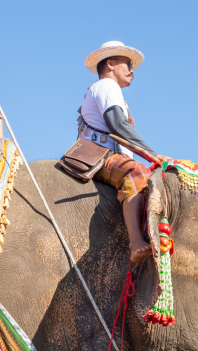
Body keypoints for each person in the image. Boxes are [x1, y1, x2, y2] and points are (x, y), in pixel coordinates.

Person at [78, 41, 172, 263]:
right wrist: (152, 155)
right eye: (128, 63)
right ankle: (136, 241)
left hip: (110, 155)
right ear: (110, 64)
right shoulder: (107, 87)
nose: (132, 70)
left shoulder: (110, 91)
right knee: (137, 172)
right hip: (102, 157)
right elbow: (118, 127)